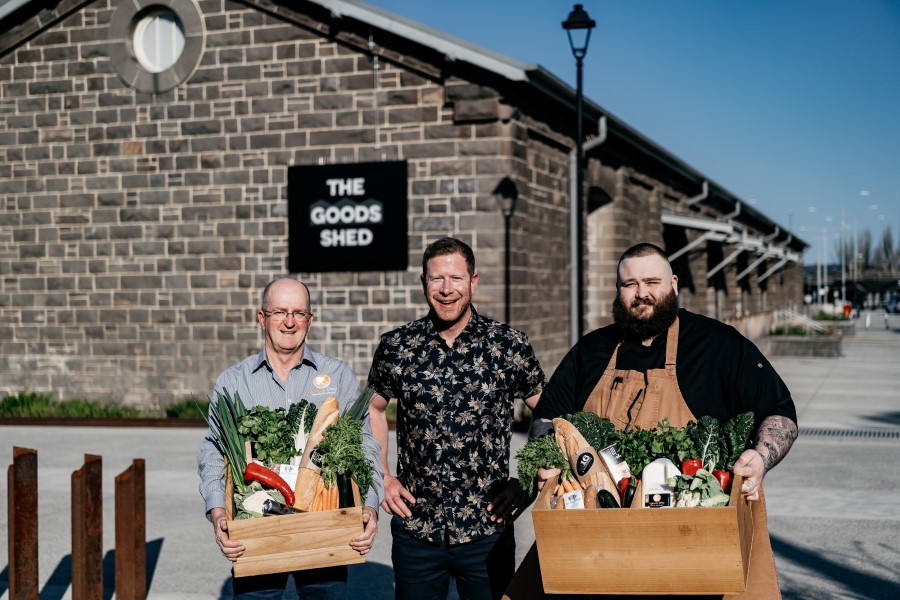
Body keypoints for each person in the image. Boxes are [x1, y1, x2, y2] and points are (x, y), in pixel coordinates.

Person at [505, 242, 799, 600]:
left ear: (673, 283)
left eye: (652, 281)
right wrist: (546, 456)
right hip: (599, 546)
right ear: (618, 291)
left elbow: (780, 411)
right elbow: (548, 416)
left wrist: (762, 457)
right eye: (630, 284)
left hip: (695, 546)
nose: (641, 293)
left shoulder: (718, 344)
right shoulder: (592, 349)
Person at [367, 237, 545, 600]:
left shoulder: (508, 345)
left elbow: (548, 410)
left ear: (473, 282)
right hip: (417, 529)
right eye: (437, 279)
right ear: (423, 283)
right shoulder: (397, 346)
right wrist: (382, 476)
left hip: (487, 529)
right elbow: (374, 408)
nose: (446, 290)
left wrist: (527, 480)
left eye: (456, 279)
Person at [197, 278, 383, 600]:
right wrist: (218, 511)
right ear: (262, 318)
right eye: (280, 312)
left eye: (299, 312)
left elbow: (365, 445)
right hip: (257, 534)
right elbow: (214, 451)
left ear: (310, 320)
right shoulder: (233, 381)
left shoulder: (336, 374)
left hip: (325, 529)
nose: (289, 321)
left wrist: (369, 506)